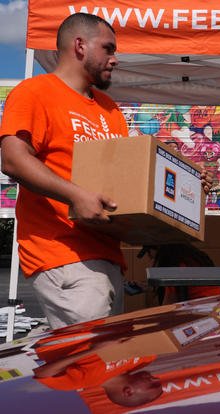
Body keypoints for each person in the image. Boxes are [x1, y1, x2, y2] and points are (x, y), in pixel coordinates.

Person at [0, 13, 128, 329]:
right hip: (61, 253)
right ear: (80, 45)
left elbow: (128, 174)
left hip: (107, 254)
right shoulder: (35, 92)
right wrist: (75, 195)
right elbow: (12, 159)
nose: (115, 59)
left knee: (108, 368)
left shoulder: (110, 109)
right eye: (108, 49)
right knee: (92, 365)